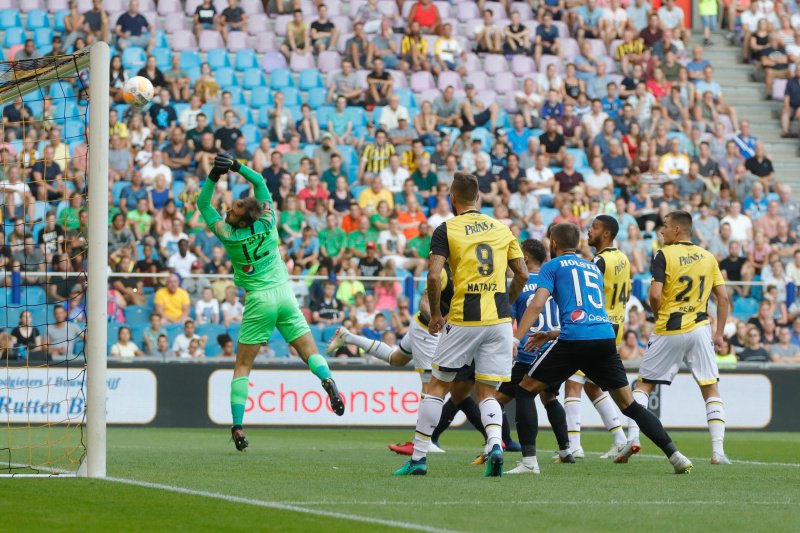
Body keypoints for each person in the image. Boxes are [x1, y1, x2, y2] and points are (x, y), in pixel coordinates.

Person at [514, 222, 692, 474]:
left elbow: (536, 305)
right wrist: (551, 333)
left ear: (553, 243)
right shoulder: (591, 267)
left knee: (525, 390)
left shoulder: (551, 266)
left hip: (574, 339)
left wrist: (515, 338)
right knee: (630, 405)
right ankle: (675, 455)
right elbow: (589, 310)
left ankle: (530, 462)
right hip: (604, 336)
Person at [198, 153, 345, 450]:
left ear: (239, 219)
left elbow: (203, 204)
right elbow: (261, 181)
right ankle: (327, 380)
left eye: (232, 209)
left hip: (259, 300)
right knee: (309, 352)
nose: (227, 210)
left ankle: (237, 426)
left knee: (242, 366)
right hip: (285, 296)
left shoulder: (228, 234)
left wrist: (215, 175)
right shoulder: (268, 222)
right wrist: (239, 166)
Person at [394, 172, 529, 477]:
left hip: (464, 316)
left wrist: (437, 316)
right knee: (487, 393)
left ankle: (417, 458)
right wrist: (506, 301)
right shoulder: (501, 228)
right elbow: (522, 274)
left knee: (437, 386)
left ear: (453, 199)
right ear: (478, 198)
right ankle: (495, 444)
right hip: (499, 320)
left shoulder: (447, 229)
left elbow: (432, 275)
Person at [627, 210, 732, 465]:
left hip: (668, 327)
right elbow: (724, 298)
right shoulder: (708, 257)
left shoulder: (663, 254)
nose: (661, 231)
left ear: (676, 230)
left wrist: (658, 314)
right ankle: (718, 451)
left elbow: (654, 295)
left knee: (643, 385)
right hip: (699, 327)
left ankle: (632, 439)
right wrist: (719, 334)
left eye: (664, 226)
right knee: (710, 388)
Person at [500, 239, 574, 474]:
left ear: (526, 258)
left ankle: (496, 445)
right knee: (549, 398)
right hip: (553, 350)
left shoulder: (519, 283)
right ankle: (566, 450)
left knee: (494, 400)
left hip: (527, 352)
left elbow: (506, 321)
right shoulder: (553, 281)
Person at [561, 215, 632, 460]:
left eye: (595, 227)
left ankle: (574, 445)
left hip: (597, 326)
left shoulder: (599, 261)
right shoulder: (623, 258)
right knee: (593, 385)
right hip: (616, 326)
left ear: (606, 234)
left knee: (573, 382)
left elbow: (591, 294)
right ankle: (620, 439)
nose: (589, 231)